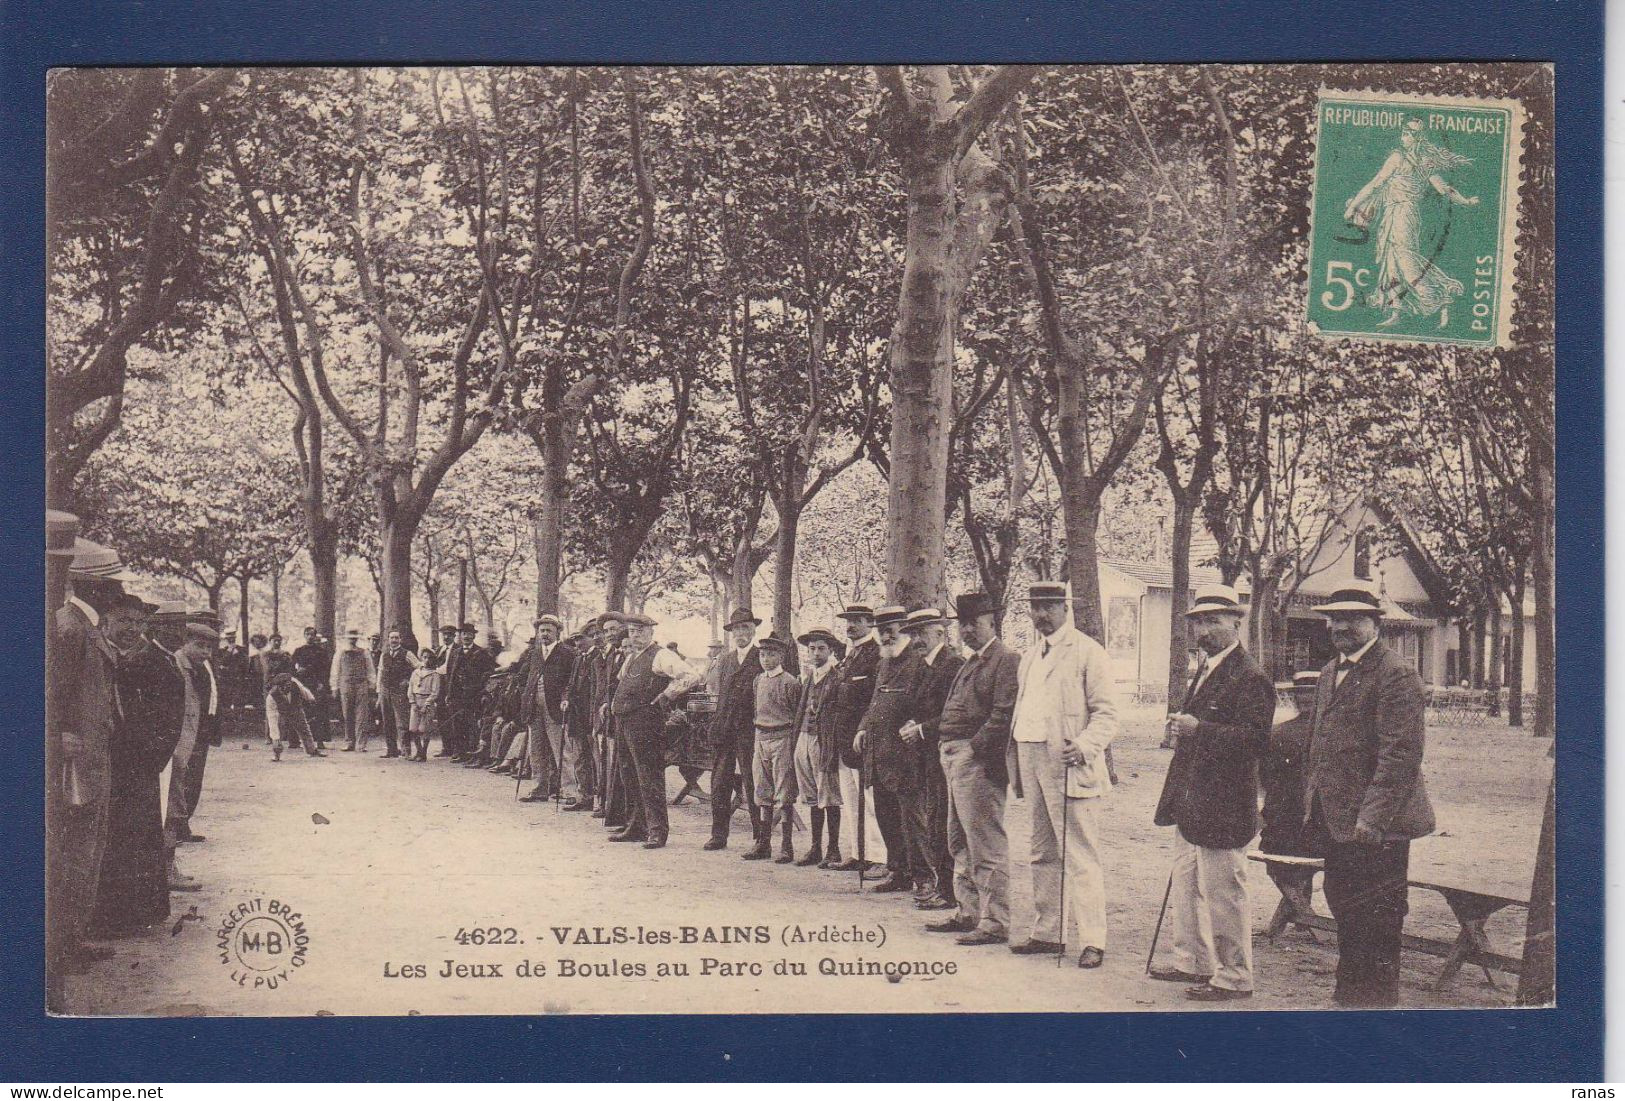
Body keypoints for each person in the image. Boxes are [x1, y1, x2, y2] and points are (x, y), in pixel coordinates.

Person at [1303, 580, 1434, 1008]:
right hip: (1336, 817)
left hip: (1379, 825)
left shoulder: (1396, 673)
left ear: (1374, 623)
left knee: (1380, 913)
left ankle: (1376, 1002)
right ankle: (1349, 995)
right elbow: (1320, 744)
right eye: (1334, 619)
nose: (1341, 627)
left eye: (1351, 619)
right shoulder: (1328, 672)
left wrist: (1372, 818)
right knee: (1343, 903)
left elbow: (1401, 755)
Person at [1151, 584, 1277, 1001]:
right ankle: (1195, 961)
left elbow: (1256, 741)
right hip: (1191, 799)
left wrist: (1198, 729)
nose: (1203, 630)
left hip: (1225, 803)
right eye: (1199, 622)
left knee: (1225, 891)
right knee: (1187, 884)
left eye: (1213, 621)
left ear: (1236, 622)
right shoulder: (1206, 669)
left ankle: (1235, 975)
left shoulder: (1251, 677)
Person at [1007, 581, 1119, 969]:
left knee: (1080, 853)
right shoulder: (1029, 656)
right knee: (1042, 851)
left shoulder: (1089, 652)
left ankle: (1092, 940)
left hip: (1069, 761)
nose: (1042, 614)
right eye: (1036, 607)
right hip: (1030, 754)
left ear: (1065, 608)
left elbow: (1107, 714)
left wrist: (1085, 745)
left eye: (1050, 606)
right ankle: (1048, 932)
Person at [47, 543, 127, 976]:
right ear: (92, 585)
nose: (116, 591)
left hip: (94, 751)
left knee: (88, 848)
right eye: (111, 583)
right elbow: (54, 692)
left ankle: (72, 937)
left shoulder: (84, 625)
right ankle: (61, 945)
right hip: (78, 758)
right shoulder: (70, 627)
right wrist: (60, 734)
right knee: (75, 849)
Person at [927, 591, 1021, 946]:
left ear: (992, 623)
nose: (967, 630)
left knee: (986, 843)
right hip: (952, 757)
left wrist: (974, 750)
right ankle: (968, 911)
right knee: (959, 840)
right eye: (963, 624)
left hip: (977, 762)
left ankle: (996, 920)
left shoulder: (1006, 659)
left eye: (974, 623)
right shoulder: (970, 662)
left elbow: (1003, 714)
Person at [91, 592, 186, 938]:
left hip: (136, 764)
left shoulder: (154, 662)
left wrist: (150, 759)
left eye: (137, 622)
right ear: (107, 621)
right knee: (118, 838)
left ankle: (133, 913)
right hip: (114, 762)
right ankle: (116, 912)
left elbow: (170, 719)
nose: (131, 628)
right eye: (124, 621)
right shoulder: (110, 657)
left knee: (134, 837)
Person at [1343, 117, 1480, 328]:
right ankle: (1396, 311)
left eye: (1409, 133)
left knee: (1407, 263)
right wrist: (1466, 201)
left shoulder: (1401, 159)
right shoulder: (1420, 161)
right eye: (1404, 132)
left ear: (1418, 138)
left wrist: (1353, 207)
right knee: (1392, 262)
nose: (1404, 136)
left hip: (1403, 214)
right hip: (1397, 213)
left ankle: (1440, 297)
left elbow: (1375, 184)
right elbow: (1444, 189)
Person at [607, 613, 699, 849]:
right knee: (629, 775)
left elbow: (691, 675)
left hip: (646, 723)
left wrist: (668, 694)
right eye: (632, 631)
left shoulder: (661, 655)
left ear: (651, 632)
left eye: (640, 631)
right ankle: (636, 826)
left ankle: (657, 831)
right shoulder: (630, 658)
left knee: (649, 777)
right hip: (625, 722)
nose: (635, 635)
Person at [852, 605, 925, 894]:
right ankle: (898, 871)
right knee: (886, 815)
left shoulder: (917, 662)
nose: (885, 636)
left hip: (905, 754)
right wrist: (861, 728)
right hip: (879, 753)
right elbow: (874, 703)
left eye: (890, 629)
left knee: (912, 819)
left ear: (903, 631)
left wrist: (915, 723)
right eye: (881, 630)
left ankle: (923, 877)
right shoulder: (883, 663)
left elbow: (923, 703)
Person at [900, 607, 964, 911]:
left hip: (946, 753)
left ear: (941, 631)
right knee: (933, 819)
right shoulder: (923, 666)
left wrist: (922, 729)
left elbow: (956, 714)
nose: (916, 640)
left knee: (944, 822)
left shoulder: (952, 665)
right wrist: (912, 723)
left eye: (922, 632)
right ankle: (943, 887)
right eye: (913, 634)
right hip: (926, 755)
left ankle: (950, 892)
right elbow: (917, 706)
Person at [1260, 670, 1322, 915]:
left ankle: (1302, 911)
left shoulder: (1278, 733)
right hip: (1314, 829)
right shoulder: (1334, 734)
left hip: (1285, 829)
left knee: (1278, 862)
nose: (1305, 702)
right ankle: (1302, 910)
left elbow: (1264, 779)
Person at [704, 609, 765, 851]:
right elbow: (715, 692)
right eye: (737, 629)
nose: (741, 633)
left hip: (750, 729)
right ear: (731, 633)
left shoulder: (762, 657)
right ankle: (718, 835)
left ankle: (761, 837)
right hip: (725, 728)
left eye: (746, 628)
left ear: (753, 630)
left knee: (754, 781)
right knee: (720, 782)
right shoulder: (725, 660)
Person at [829, 603, 883, 872]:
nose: (850, 625)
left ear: (870, 624)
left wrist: (864, 730)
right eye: (848, 620)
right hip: (843, 739)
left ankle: (878, 857)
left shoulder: (876, 654)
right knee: (851, 800)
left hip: (863, 739)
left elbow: (874, 699)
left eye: (857, 620)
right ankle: (857, 852)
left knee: (870, 801)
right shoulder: (848, 655)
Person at [745, 636, 803, 863]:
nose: (766, 659)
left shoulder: (790, 682)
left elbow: (795, 714)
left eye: (771, 655)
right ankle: (763, 842)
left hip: (782, 738)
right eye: (762, 655)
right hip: (761, 737)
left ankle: (786, 845)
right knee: (762, 790)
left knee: (784, 791)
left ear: (781, 656)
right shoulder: (758, 680)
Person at [790, 628, 845, 868]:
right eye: (812, 648)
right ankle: (815, 847)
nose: (816, 653)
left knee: (828, 795)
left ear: (831, 651)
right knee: (811, 795)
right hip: (803, 737)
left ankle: (833, 849)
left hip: (823, 741)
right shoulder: (808, 678)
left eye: (821, 648)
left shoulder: (836, 678)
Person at [166, 619, 223, 848]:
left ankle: (182, 825)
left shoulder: (200, 666)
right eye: (200, 646)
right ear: (186, 643)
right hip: (181, 736)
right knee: (178, 782)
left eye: (209, 647)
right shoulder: (177, 664)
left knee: (191, 781)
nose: (206, 652)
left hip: (200, 730)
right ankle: (175, 830)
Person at [520, 616, 578, 804]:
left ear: (557, 633)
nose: (544, 634)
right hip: (534, 707)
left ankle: (569, 791)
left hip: (555, 707)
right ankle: (539, 789)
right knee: (536, 751)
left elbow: (571, 681)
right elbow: (524, 676)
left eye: (548, 631)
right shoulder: (534, 653)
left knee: (562, 750)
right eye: (542, 630)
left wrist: (565, 698)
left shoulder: (567, 653)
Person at [445, 623, 497, 763]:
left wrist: (480, 690)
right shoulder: (455, 653)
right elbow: (450, 673)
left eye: (469, 634)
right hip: (457, 694)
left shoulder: (481, 653)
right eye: (464, 634)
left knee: (472, 724)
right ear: (460, 636)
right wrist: (449, 694)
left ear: (474, 636)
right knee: (457, 723)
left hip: (474, 695)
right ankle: (459, 751)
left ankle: (471, 753)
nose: (467, 636)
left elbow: (488, 673)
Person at [330, 628, 379, 752]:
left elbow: (370, 669)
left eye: (354, 638)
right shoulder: (340, 652)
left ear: (357, 638)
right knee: (347, 714)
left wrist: (372, 684)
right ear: (347, 638)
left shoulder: (364, 652)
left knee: (362, 714)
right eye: (350, 638)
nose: (352, 640)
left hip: (361, 684)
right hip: (345, 684)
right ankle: (349, 741)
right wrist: (334, 687)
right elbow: (335, 670)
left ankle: (361, 743)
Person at [376, 626, 419, 760]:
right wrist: (379, 691)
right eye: (391, 638)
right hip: (385, 690)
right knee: (387, 721)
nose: (394, 640)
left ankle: (406, 750)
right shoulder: (384, 655)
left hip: (400, 692)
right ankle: (392, 750)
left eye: (396, 638)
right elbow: (380, 672)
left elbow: (419, 668)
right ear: (388, 640)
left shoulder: (407, 654)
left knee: (402, 722)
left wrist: (408, 681)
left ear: (400, 639)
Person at [267, 670, 324, 759]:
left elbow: (305, 691)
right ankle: (276, 753)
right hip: (280, 712)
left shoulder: (295, 684)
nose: (288, 688)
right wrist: (275, 738)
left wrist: (311, 699)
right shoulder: (271, 697)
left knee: (304, 728)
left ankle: (311, 750)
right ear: (279, 687)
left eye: (289, 685)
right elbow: (272, 719)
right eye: (285, 686)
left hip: (295, 707)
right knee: (279, 727)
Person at [292, 626, 333, 747]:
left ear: (315, 637)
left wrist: (322, 684)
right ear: (304, 636)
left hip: (317, 684)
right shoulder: (299, 650)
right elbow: (291, 665)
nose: (310, 636)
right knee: (303, 711)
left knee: (319, 712)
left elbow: (326, 669)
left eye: (312, 634)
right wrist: (298, 671)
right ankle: (303, 741)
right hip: (303, 684)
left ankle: (320, 741)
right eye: (308, 634)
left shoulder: (321, 652)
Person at [406, 648, 445, 761]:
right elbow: (410, 688)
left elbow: (435, 692)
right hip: (416, 701)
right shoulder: (416, 672)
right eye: (425, 657)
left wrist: (427, 704)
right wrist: (412, 702)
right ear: (421, 658)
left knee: (424, 729)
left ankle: (424, 752)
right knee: (413, 729)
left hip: (427, 702)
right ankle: (418, 751)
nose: (427, 660)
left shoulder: (435, 674)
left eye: (430, 658)